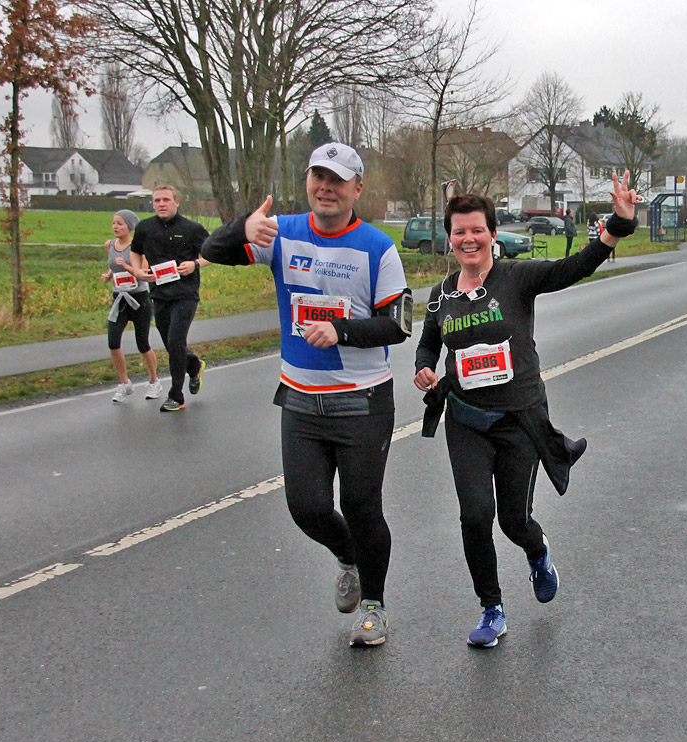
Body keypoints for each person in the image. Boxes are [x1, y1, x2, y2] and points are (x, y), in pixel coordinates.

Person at [413, 172, 640, 648]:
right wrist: (425, 370)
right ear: (450, 239)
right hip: (466, 419)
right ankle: (491, 608)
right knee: (475, 515)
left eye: (477, 230)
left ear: (493, 235)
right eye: (459, 231)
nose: (468, 238)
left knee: (512, 521)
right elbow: (428, 343)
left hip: (517, 420)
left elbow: (577, 266)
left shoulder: (516, 278)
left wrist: (617, 223)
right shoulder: (441, 294)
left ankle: (537, 553)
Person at [200, 142, 412, 648]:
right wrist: (241, 230)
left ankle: (375, 606)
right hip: (300, 400)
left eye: (338, 180)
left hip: (361, 402)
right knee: (307, 508)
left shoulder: (377, 246)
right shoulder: (284, 233)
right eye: (319, 177)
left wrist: (342, 332)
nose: (326, 188)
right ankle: (348, 558)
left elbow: (398, 325)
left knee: (362, 507)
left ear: (357, 189)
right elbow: (210, 251)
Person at [128, 185, 210, 412]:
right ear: (152, 204)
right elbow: (135, 251)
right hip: (159, 295)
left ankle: (176, 395)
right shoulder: (145, 228)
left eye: (166, 200)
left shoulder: (192, 228)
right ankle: (193, 366)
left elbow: (211, 253)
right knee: (171, 344)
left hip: (185, 294)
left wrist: (195, 264)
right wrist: (137, 270)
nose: (161, 204)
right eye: (157, 200)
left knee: (175, 341)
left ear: (176, 202)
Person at [101, 209, 161, 402]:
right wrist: (109, 275)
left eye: (120, 223)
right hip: (119, 299)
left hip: (139, 299)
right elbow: (113, 265)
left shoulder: (139, 247)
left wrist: (128, 267)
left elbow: (143, 271)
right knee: (113, 341)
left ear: (130, 226)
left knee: (142, 343)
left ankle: (154, 381)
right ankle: (124, 383)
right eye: (114, 223)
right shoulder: (110, 245)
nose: (115, 227)